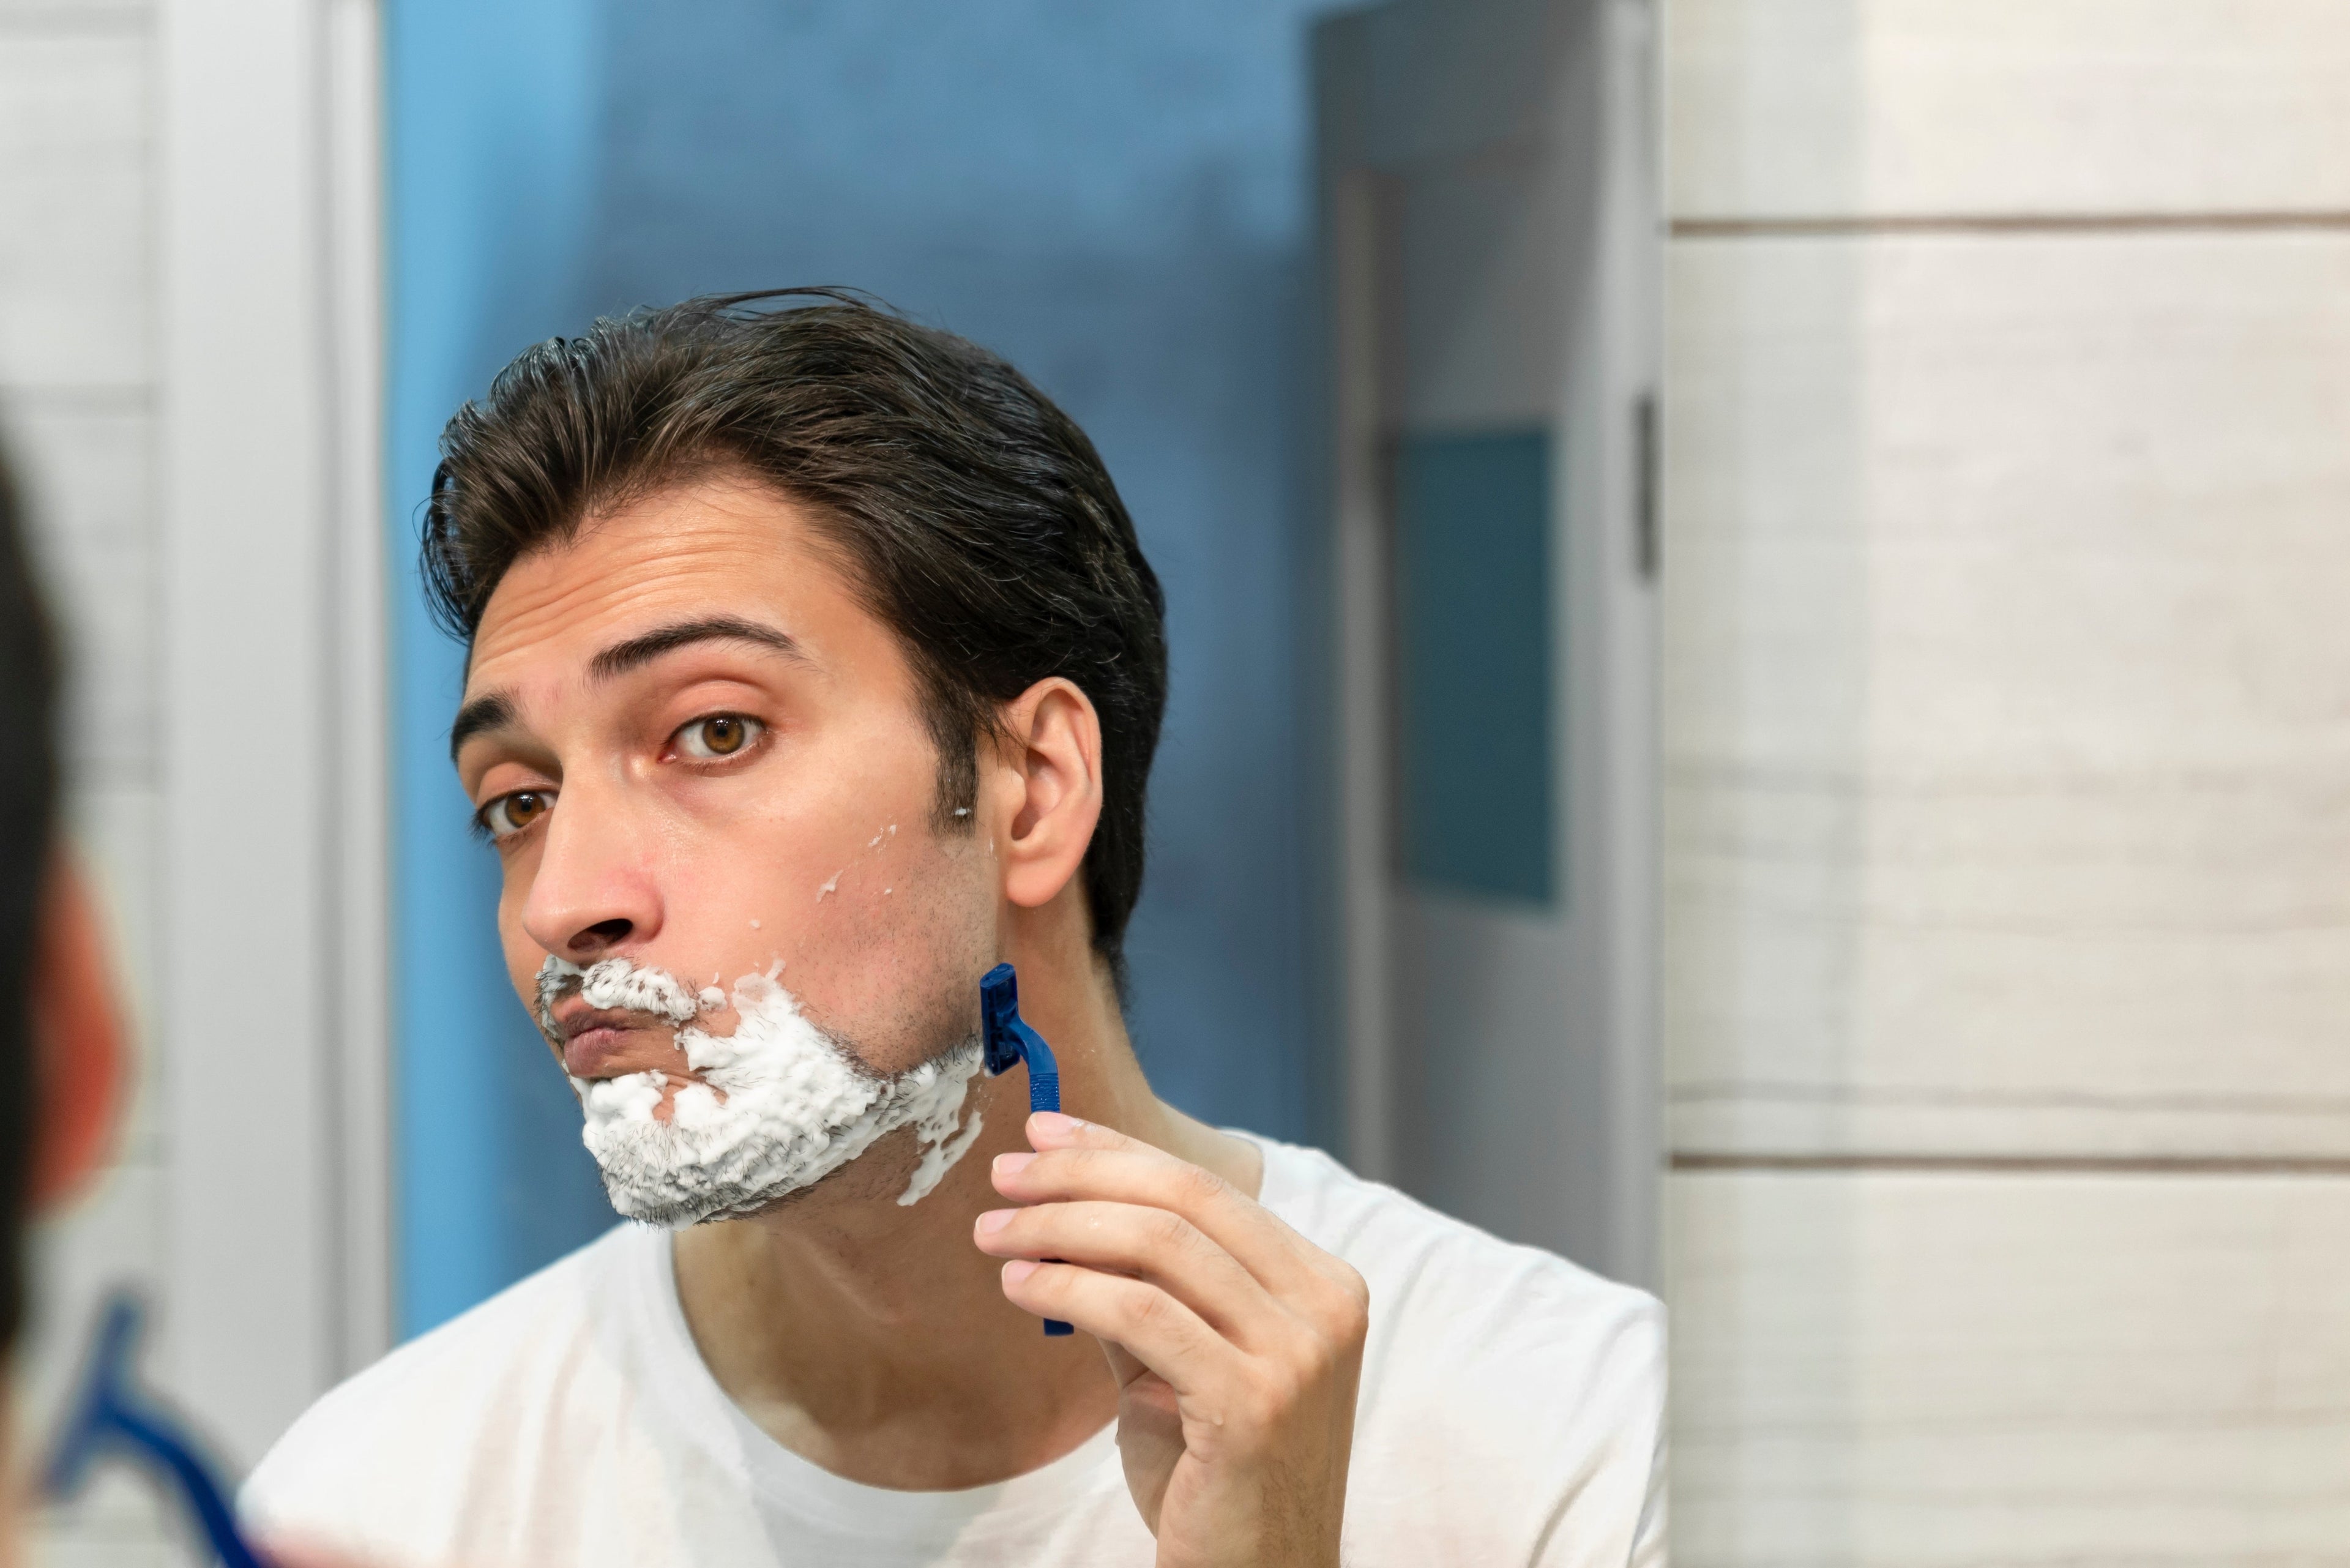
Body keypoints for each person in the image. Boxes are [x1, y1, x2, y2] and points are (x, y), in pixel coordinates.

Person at [243, 291, 1665, 1567]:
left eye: (713, 731)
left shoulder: (1572, 1447)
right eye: (518, 800)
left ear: (1033, 791)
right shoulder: (390, 1506)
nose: (565, 902)